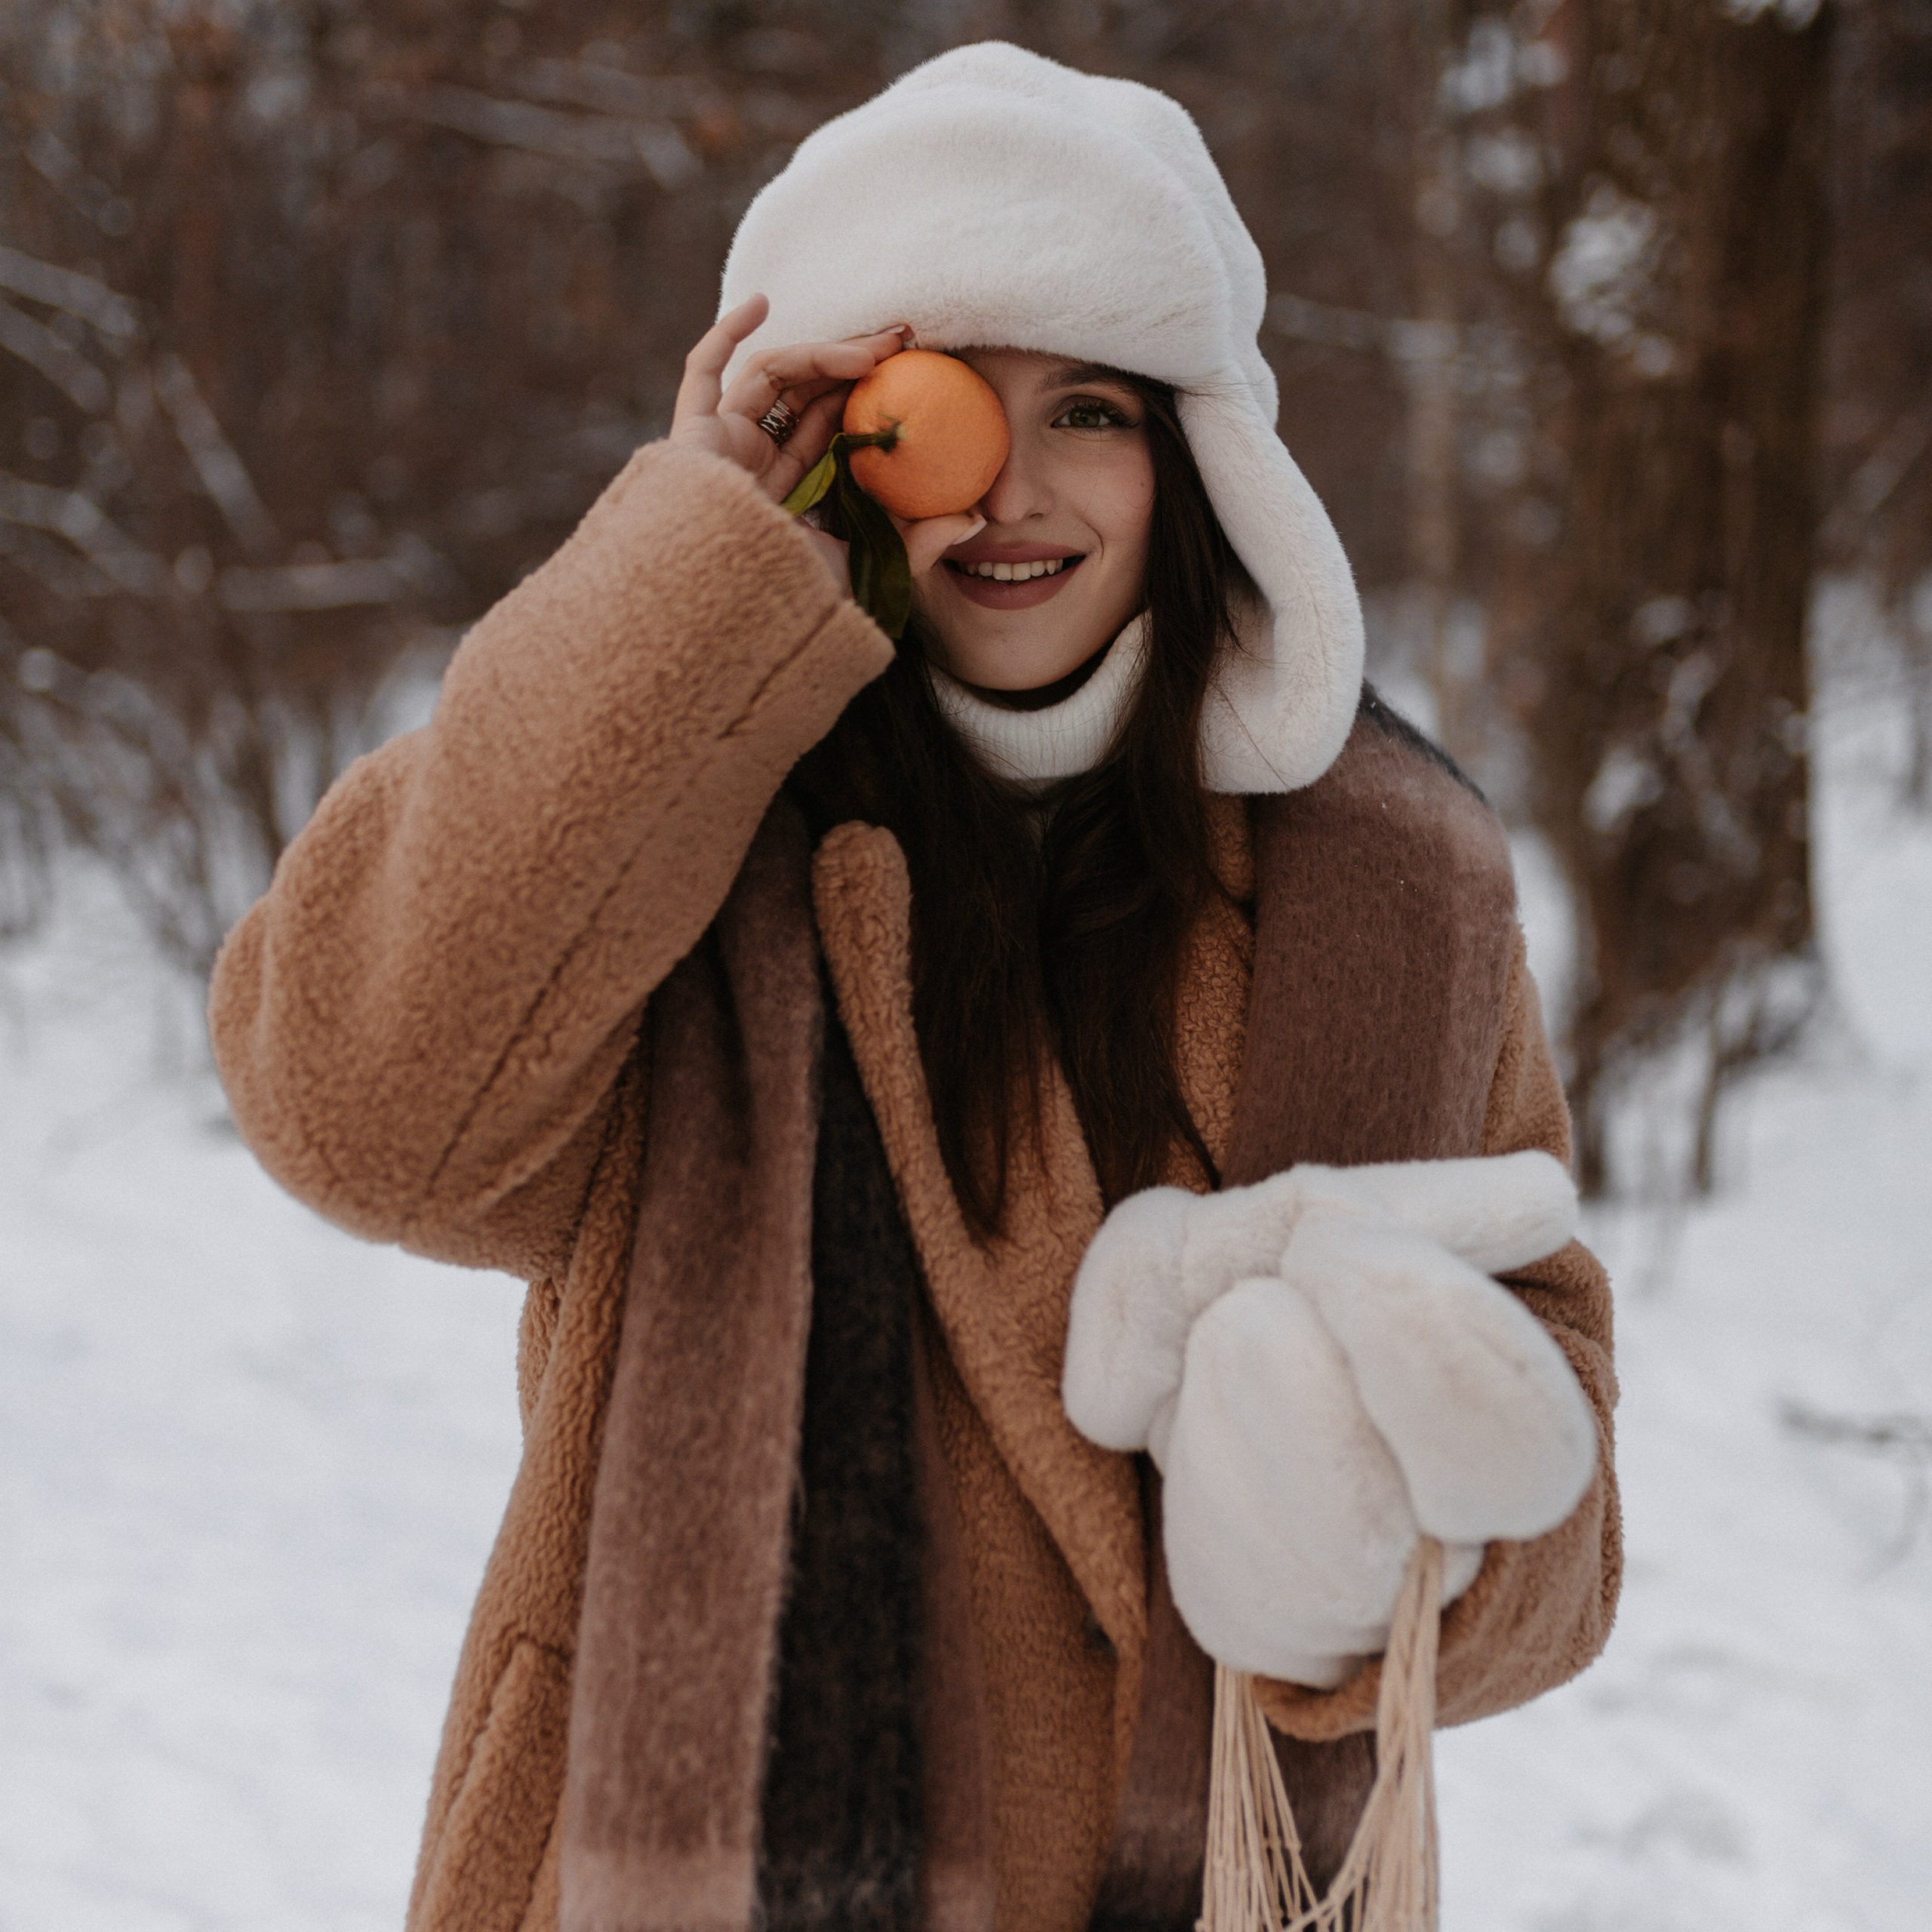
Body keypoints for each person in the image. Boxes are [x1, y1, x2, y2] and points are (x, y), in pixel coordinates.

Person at [209, 42, 1620, 1932]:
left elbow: (1561, 1501)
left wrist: (1376, 1557)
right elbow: (362, 1109)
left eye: (1090, 407)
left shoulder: (1387, 890)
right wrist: (687, 559)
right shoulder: (673, 839)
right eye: (932, 409)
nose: (1008, 489)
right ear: (842, 452)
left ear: (1194, 460)